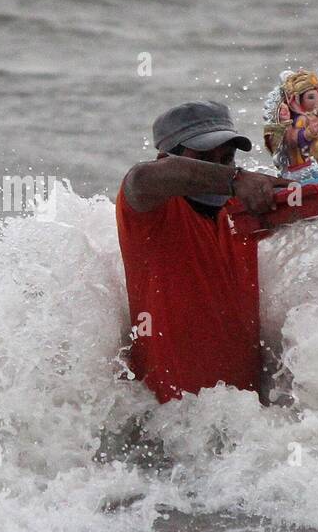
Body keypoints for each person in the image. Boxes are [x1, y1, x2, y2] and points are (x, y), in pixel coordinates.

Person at [115, 100, 289, 403]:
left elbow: (315, 194)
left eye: (227, 159)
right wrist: (235, 180)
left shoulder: (243, 208)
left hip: (249, 424)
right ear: (165, 158)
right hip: (168, 424)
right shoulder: (150, 211)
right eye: (204, 159)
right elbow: (142, 178)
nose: (219, 168)